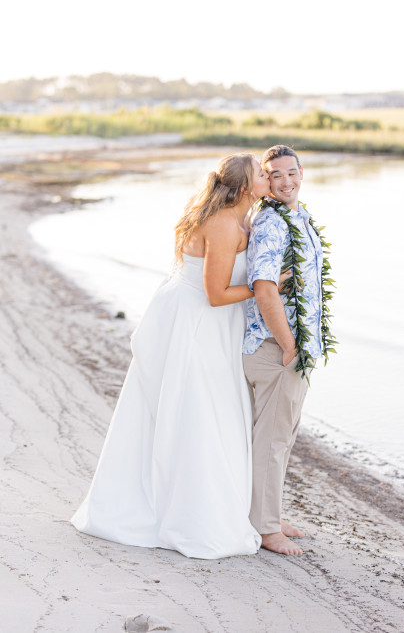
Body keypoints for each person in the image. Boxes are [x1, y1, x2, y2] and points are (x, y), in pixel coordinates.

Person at [71, 153, 271, 559]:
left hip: (206, 322)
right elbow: (216, 294)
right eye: (261, 173)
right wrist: (268, 286)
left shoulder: (242, 217)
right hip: (196, 325)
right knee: (199, 413)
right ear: (245, 188)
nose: (268, 176)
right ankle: (192, 514)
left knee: (205, 411)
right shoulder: (223, 222)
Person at [243, 144, 335, 556]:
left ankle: (270, 514)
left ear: (302, 173)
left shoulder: (299, 216)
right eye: (275, 175)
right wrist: (288, 345)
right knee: (272, 441)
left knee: (283, 436)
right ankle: (265, 529)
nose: (285, 182)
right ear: (264, 180)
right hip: (274, 348)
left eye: (291, 173)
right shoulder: (270, 223)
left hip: (295, 347)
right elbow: (264, 289)